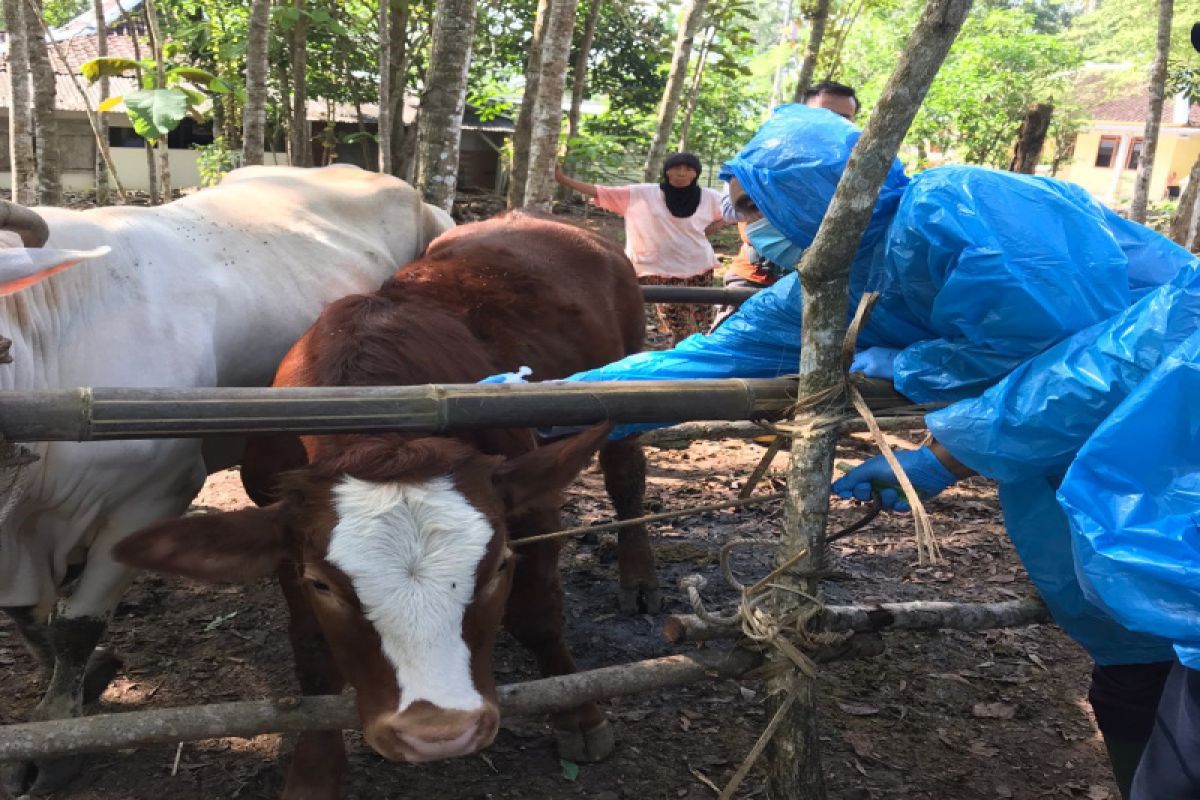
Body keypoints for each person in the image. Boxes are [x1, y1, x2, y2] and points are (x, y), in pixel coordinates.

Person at [558, 104, 1197, 798]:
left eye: (756, 206)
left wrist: (927, 415)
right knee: (1130, 654)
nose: (752, 229)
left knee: (1164, 640)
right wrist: (545, 404)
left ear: (818, 195)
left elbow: (1065, 358)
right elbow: (706, 360)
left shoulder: (960, 208)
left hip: (1160, 439)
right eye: (741, 210)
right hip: (1049, 460)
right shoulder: (826, 284)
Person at [711, 81, 862, 332]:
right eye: (825, 114)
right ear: (802, 112)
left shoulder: (857, 163)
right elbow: (729, 207)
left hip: (819, 284)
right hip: (756, 276)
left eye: (844, 117)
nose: (833, 122)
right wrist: (775, 208)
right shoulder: (768, 149)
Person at [555, 153, 727, 345]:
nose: (682, 173)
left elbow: (734, 209)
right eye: (676, 168)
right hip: (657, 269)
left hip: (698, 267)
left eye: (688, 169)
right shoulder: (643, 194)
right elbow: (601, 191)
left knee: (701, 322)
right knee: (679, 324)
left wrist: (715, 226)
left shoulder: (709, 197)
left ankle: (689, 358)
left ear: (696, 174)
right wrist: (563, 180)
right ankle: (679, 360)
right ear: (667, 171)